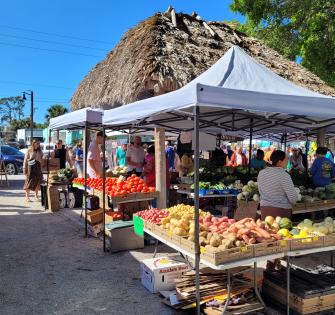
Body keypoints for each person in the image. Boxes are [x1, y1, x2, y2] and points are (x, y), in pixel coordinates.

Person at [258, 150, 298, 220]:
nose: (287, 162)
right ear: (280, 162)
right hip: (280, 212)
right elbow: (293, 198)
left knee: (267, 229)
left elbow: (260, 191)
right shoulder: (284, 175)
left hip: (264, 210)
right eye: (286, 160)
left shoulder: (261, 173)